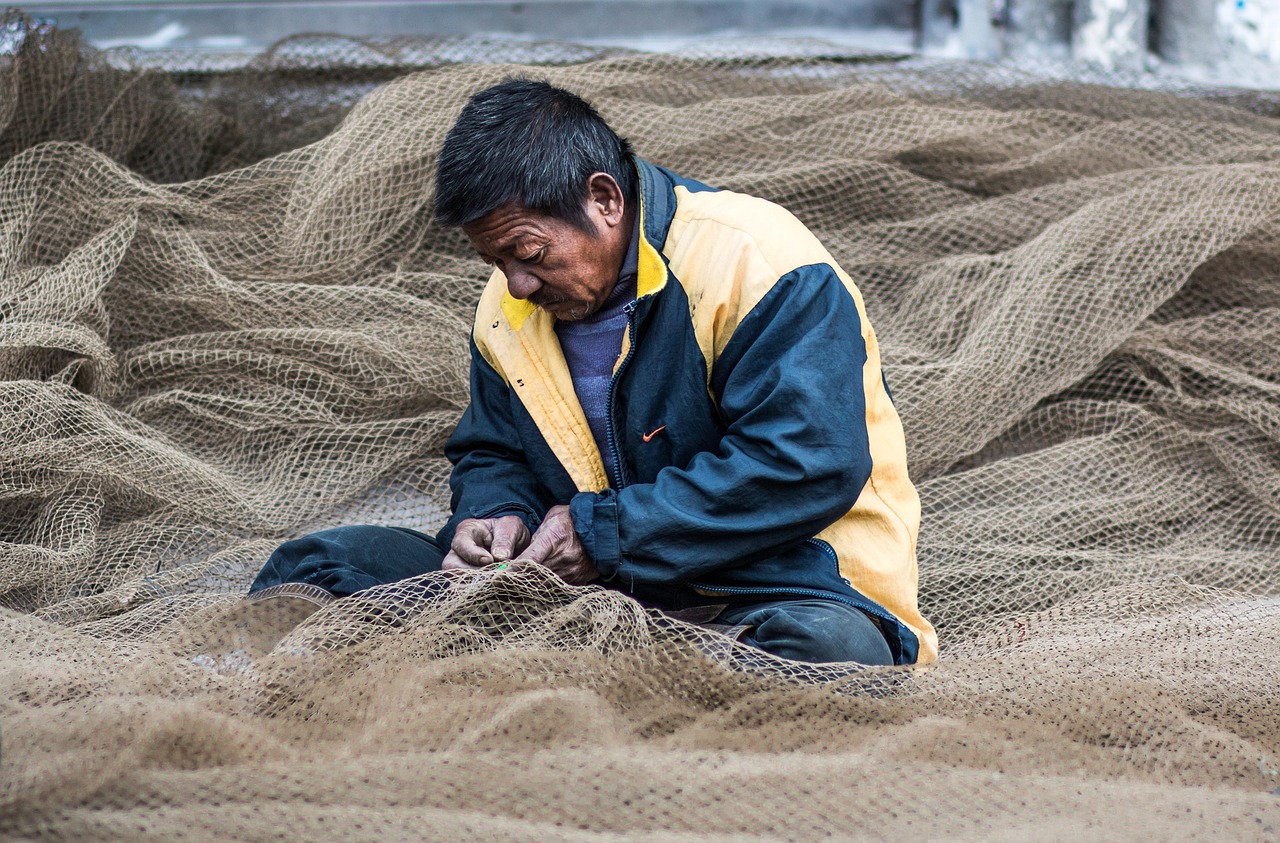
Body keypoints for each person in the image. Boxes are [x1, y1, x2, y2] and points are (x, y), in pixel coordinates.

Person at [249, 78, 938, 667]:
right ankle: (591, 664)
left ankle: (604, 676)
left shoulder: (757, 262)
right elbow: (494, 449)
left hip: (776, 587)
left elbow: (809, 462)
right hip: (578, 595)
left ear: (605, 200)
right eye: (498, 262)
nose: (516, 284)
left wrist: (604, 535)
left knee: (835, 653)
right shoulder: (509, 306)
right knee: (315, 567)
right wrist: (494, 519)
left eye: (528, 252)